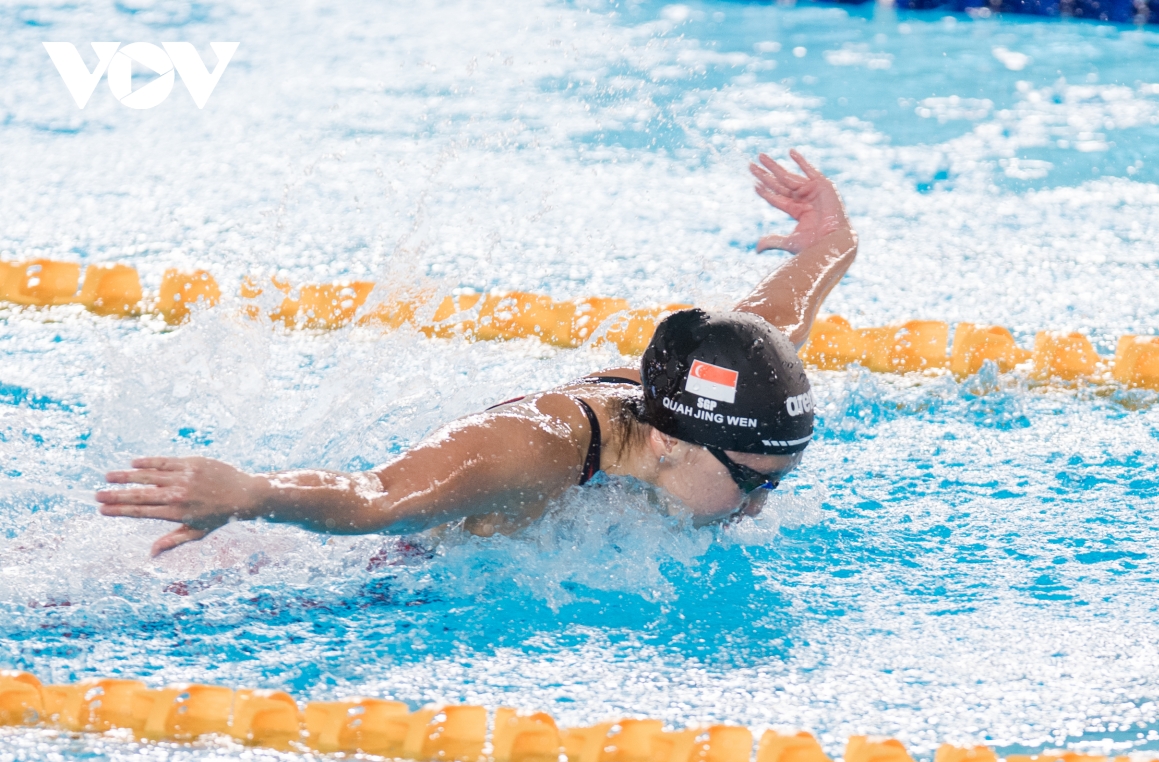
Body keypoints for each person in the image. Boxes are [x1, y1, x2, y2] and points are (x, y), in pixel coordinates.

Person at [97, 150, 858, 556]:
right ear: (668, 440)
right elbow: (375, 498)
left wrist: (832, 238)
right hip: (356, 568)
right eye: (752, 481)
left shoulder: (721, 387)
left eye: (778, 479)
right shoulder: (530, 447)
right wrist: (251, 494)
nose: (760, 506)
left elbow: (776, 319)